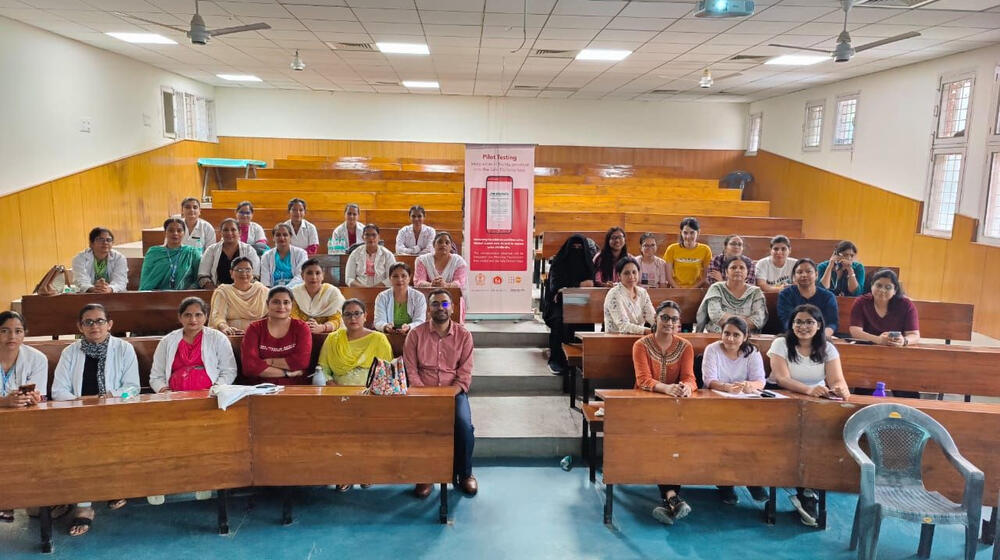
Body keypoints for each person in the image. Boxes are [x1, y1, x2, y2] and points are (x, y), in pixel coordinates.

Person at [52, 304, 139, 537]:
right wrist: (83, 403)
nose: (95, 326)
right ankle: (84, 506)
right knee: (81, 446)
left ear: (110, 324)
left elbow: (132, 388)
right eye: (88, 322)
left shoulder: (124, 349)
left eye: (100, 321)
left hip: (115, 412)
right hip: (78, 414)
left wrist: (110, 398)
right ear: (80, 326)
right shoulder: (70, 352)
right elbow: (58, 391)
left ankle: (113, 486)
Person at [766, 303, 850, 527]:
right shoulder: (781, 343)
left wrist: (842, 388)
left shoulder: (828, 348)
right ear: (791, 325)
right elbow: (782, 379)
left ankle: (808, 489)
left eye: (809, 322)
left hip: (816, 401)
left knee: (820, 439)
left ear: (819, 325)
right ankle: (801, 488)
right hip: (782, 399)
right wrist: (808, 390)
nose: (803, 326)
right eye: (798, 322)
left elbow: (836, 379)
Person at [405, 289, 477, 498]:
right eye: (435, 304)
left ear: (452, 308)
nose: (440, 308)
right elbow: (411, 370)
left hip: (452, 392)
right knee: (419, 427)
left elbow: (464, 374)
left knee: (464, 426)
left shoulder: (464, 335)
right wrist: (424, 394)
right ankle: (424, 475)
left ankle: (464, 475)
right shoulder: (416, 334)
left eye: (445, 303)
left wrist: (447, 395)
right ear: (428, 309)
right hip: (421, 392)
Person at [632, 300, 696, 526]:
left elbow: (689, 377)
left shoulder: (685, 346)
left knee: (677, 442)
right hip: (646, 406)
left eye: (674, 319)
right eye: (665, 317)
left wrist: (686, 388)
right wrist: (667, 388)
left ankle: (671, 499)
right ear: (656, 319)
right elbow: (643, 380)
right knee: (663, 442)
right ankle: (672, 497)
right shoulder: (641, 345)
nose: (670, 322)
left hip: (677, 407)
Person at [700, 316, 769, 504]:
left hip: (745, 404)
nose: (730, 339)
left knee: (753, 436)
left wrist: (750, 385)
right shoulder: (712, 349)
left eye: (736, 335)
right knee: (725, 436)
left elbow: (760, 380)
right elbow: (709, 380)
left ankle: (752, 479)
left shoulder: (752, 352)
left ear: (745, 337)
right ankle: (726, 483)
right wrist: (725, 388)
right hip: (717, 404)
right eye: (726, 333)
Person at [0, 311, 51, 523]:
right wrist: (3, 402)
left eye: (18, 331)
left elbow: (40, 396)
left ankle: (23, 498)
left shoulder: (37, 358)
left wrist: (32, 398)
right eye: (4, 331)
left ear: (25, 334)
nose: (12, 336)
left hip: (23, 421)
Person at [149, 297, 237, 393]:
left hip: (211, 396)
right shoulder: (167, 341)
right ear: (180, 317)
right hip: (173, 397)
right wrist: (165, 392)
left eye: (198, 315)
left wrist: (216, 389)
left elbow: (229, 371)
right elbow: (156, 376)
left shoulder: (218, 338)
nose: (193, 319)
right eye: (187, 315)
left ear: (206, 316)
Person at [542, 233, 595, 374]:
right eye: (573, 247)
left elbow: (591, 286)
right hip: (559, 304)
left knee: (586, 319)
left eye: (580, 247)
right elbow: (555, 289)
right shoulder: (558, 263)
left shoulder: (588, 264)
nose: (576, 250)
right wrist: (580, 285)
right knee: (561, 320)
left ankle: (582, 360)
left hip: (582, 302)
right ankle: (557, 359)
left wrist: (568, 289)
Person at [240, 286, 313, 386]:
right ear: (267, 304)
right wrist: (287, 373)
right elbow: (250, 367)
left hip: (295, 388)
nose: (281, 307)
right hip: (259, 388)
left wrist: (269, 361)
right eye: (276, 302)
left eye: (286, 302)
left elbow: (301, 362)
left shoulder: (302, 328)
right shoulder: (254, 329)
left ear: (292, 305)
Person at [317, 299, 392, 387]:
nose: (353, 318)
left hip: (371, 393)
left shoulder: (379, 339)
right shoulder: (333, 339)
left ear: (365, 316)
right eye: (348, 314)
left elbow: (387, 371)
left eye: (357, 313)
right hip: (337, 392)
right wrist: (335, 389)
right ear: (342, 318)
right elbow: (323, 369)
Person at [849, 269, 919, 346]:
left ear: (895, 290)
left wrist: (904, 341)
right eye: (879, 285)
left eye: (888, 287)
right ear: (872, 286)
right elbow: (855, 331)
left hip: (896, 349)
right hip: (867, 347)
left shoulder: (906, 305)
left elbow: (914, 335)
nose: (882, 290)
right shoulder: (861, 302)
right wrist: (879, 340)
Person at [696, 256, 767, 333]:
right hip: (717, 333)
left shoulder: (755, 292)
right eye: (733, 267)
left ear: (747, 272)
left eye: (742, 268)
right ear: (726, 272)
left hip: (746, 336)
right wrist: (743, 320)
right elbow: (716, 315)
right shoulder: (717, 288)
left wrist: (728, 318)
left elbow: (758, 320)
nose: (737, 270)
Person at [777, 259, 838, 337]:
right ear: (794, 277)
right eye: (799, 272)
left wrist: (822, 337)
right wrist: (804, 336)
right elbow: (786, 321)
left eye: (808, 271)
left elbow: (832, 323)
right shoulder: (785, 294)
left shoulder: (828, 296)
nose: (804, 275)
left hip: (821, 337)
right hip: (793, 336)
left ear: (816, 275)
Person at [414, 232, 468, 319]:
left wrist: (446, 285)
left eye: (447, 242)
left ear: (451, 246)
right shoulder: (422, 260)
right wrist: (431, 284)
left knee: (445, 306)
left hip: (449, 300)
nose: (443, 245)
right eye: (440, 242)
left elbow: (459, 283)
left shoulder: (458, 261)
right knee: (430, 306)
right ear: (433, 245)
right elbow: (418, 281)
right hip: (428, 299)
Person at [209, 257, 268, 335]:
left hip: (259, 335)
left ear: (252, 273)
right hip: (231, 335)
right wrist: (225, 328)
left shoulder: (262, 291)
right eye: (239, 270)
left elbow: (271, 316)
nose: (244, 273)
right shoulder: (223, 292)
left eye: (248, 270)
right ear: (231, 273)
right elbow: (217, 317)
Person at [139, 217, 201, 290]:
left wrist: (190, 290)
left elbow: (198, 278)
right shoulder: (153, 252)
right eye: (171, 230)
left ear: (184, 233)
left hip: (184, 297)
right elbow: (146, 279)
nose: (175, 233)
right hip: (156, 297)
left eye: (179, 230)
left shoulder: (191, 252)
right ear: (165, 232)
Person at [198, 218, 260, 288]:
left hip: (243, 292)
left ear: (239, 232)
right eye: (225, 230)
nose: (229, 233)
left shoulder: (249, 250)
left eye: (233, 230)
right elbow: (203, 275)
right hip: (218, 291)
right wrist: (215, 291)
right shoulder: (211, 250)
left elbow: (255, 276)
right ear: (221, 233)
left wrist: (242, 291)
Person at [291, 258, 345, 334]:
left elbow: (337, 319)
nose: (314, 277)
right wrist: (304, 326)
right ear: (302, 275)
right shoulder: (295, 293)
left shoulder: (332, 292)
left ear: (323, 275)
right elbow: (292, 316)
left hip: (328, 335)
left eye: (318, 273)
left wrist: (322, 328)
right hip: (299, 332)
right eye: (309, 273)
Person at [603, 257, 655, 334]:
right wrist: (650, 331)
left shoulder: (642, 292)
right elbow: (623, 326)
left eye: (634, 272)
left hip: (639, 338)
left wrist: (660, 326)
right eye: (626, 273)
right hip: (616, 339)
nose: (631, 276)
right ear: (619, 276)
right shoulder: (614, 294)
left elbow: (651, 316)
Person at [374, 262, 427, 335]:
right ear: (390, 278)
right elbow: (378, 321)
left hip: (412, 335)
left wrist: (409, 327)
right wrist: (386, 327)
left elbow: (420, 321)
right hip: (388, 336)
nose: (399, 279)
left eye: (404, 276)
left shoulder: (419, 297)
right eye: (395, 276)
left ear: (409, 278)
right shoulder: (382, 297)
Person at [72, 227, 128, 293]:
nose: (105, 242)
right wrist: (93, 289)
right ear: (91, 244)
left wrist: (109, 289)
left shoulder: (119, 258)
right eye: (100, 240)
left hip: (113, 295)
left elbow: (120, 281)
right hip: (88, 295)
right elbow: (81, 280)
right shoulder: (80, 258)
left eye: (108, 240)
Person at [663, 217, 712, 288]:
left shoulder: (705, 250)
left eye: (692, 233)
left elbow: (704, 277)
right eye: (685, 233)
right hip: (676, 289)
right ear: (681, 233)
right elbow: (669, 277)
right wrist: (679, 290)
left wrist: (691, 290)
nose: (688, 236)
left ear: (698, 232)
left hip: (697, 290)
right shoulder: (672, 249)